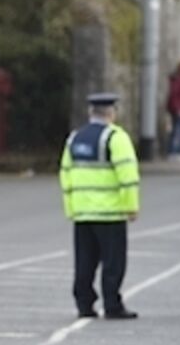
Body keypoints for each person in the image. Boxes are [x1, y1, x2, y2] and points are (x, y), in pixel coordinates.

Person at [60, 93, 140, 320]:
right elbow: (127, 175)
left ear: (90, 112)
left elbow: (65, 174)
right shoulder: (116, 137)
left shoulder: (75, 139)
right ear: (112, 113)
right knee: (113, 263)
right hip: (110, 213)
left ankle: (84, 304)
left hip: (83, 213)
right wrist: (131, 206)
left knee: (84, 261)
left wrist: (71, 208)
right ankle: (112, 305)